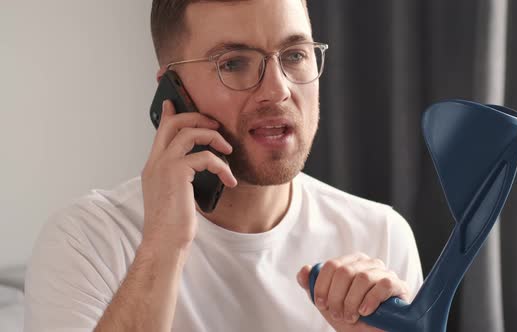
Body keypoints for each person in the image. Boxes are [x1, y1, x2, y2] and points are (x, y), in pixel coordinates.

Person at [24, 0, 423, 331]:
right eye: (234, 63)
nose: (278, 90)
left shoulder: (381, 237)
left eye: (295, 55)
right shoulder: (86, 242)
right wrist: (163, 246)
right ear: (173, 92)